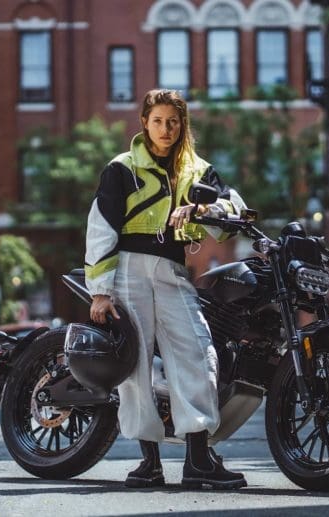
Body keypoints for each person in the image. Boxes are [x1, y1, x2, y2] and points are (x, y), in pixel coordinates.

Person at [84, 89, 247, 490]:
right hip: (127, 271)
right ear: (144, 123)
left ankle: (198, 459)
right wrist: (101, 291)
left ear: (182, 124)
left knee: (197, 351)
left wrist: (203, 209)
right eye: (157, 120)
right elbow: (101, 228)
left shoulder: (198, 169)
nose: (165, 129)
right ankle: (149, 463)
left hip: (173, 270)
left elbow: (236, 210)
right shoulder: (121, 168)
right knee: (134, 363)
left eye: (173, 121)